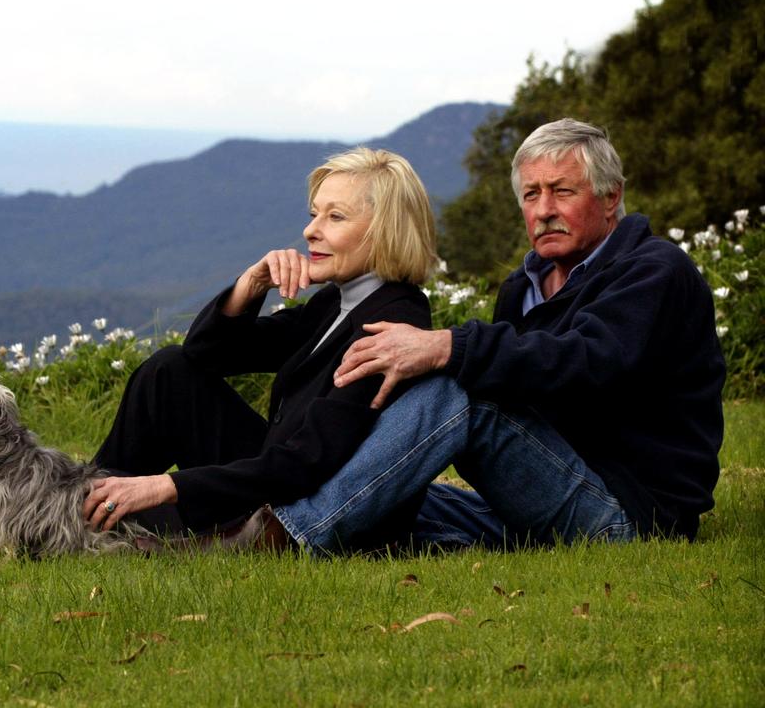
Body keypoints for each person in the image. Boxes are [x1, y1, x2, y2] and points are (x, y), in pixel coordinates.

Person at [0, 148, 440, 539]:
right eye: (313, 214)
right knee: (168, 373)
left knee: (147, 501)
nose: (311, 230)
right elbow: (206, 356)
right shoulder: (338, 303)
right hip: (274, 468)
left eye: (334, 217)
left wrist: (164, 485)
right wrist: (249, 287)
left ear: (385, 228)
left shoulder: (389, 322)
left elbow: (304, 465)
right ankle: (64, 508)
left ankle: (63, 519)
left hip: (291, 504)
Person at [215, 118, 725, 554]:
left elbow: (589, 360)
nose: (543, 208)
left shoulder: (654, 271)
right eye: (531, 194)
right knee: (389, 490)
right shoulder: (523, 286)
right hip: (548, 486)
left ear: (611, 197)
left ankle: (286, 537)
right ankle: (230, 519)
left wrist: (447, 346)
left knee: (459, 390)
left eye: (562, 191)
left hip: (630, 514)